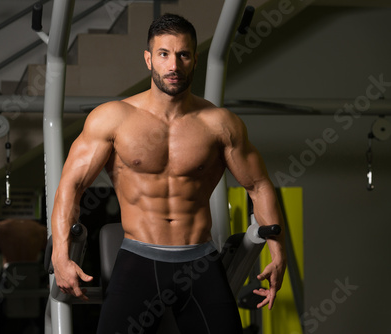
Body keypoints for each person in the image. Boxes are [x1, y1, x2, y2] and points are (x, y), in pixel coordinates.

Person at [51, 13, 287, 334]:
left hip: (199, 261)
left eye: (183, 54)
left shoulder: (220, 124)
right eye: (164, 54)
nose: (173, 65)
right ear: (149, 59)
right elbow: (71, 186)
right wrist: (60, 256)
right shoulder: (113, 118)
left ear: (194, 60)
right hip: (138, 260)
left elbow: (258, 186)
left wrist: (278, 250)